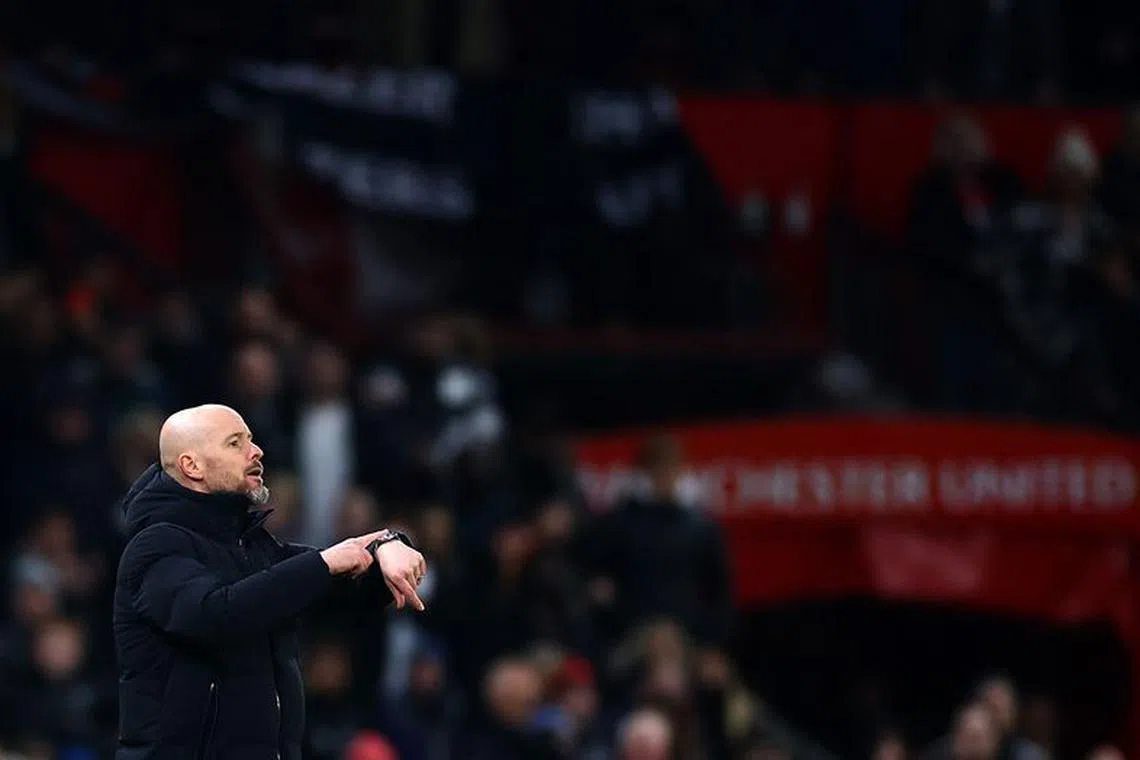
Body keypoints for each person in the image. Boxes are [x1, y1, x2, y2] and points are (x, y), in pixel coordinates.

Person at [111, 404, 427, 760]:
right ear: (192, 466)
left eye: (251, 439)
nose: (256, 451)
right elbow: (213, 613)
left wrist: (389, 544)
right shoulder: (156, 546)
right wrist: (325, 562)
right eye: (235, 443)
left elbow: (345, 592)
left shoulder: (255, 547)